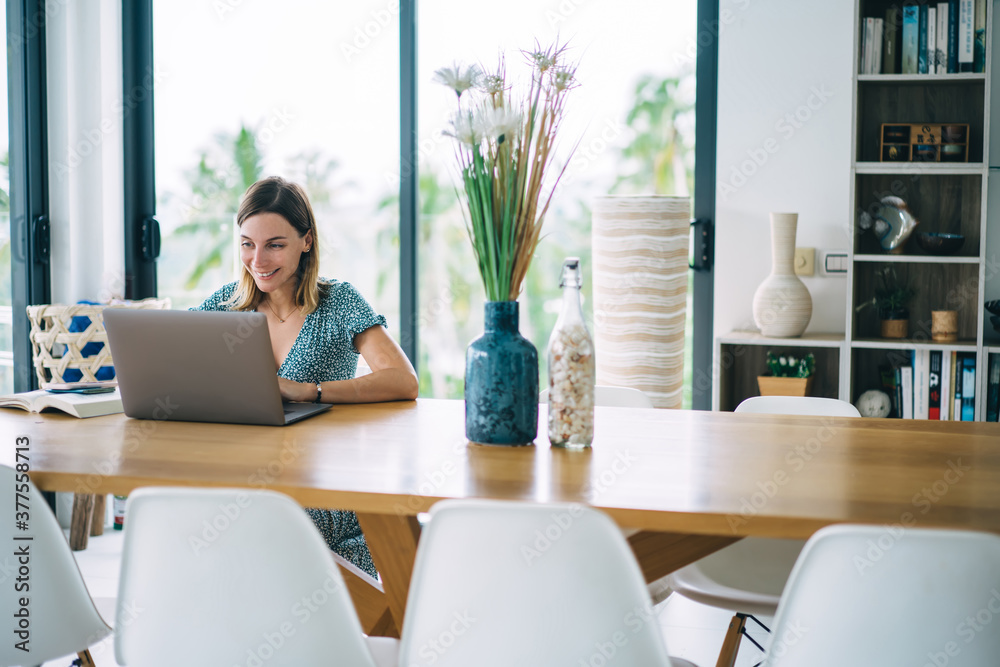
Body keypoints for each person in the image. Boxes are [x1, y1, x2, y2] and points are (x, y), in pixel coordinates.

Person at [195, 176, 418, 577]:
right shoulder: (225, 307)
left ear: (307, 241)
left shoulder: (338, 301)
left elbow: (403, 380)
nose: (258, 260)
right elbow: (176, 366)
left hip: (322, 485)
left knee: (256, 536)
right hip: (243, 480)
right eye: (248, 244)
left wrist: (309, 391)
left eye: (275, 245)